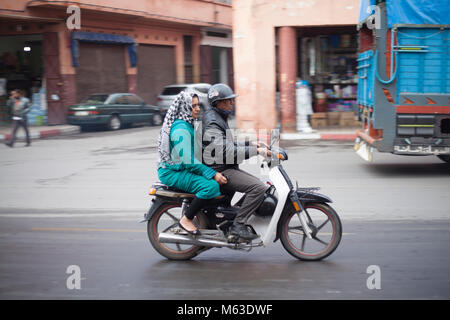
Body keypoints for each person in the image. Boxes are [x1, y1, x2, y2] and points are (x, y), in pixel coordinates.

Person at [201, 83, 271, 240]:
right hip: (220, 169)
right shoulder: (212, 122)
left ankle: (233, 217)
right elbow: (226, 152)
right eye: (228, 100)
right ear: (217, 103)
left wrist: (250, 144)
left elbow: (227, 144)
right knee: (258, 188)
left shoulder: (218, 117)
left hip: (224, 165)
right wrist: (256, 151)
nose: (232, 103)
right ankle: (238, 225)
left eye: (232, 100)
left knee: (259, 184)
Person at [157, 91, 228, 235]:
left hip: (183, 168)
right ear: (184, 107)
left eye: (197, 105)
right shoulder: (180, 130)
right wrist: (212, 174)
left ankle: (210, 216)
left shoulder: (188, 124)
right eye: (193, 106)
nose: (197, 108)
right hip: (173, 172)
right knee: (210, 186)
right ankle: (187, 219)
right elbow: (188, 161)